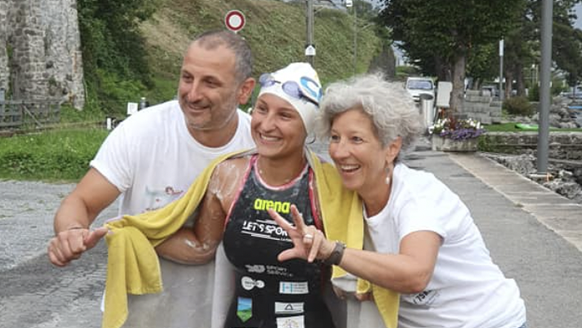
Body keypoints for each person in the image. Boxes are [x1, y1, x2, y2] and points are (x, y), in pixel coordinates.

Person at [104, 62, 365, 328]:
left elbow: (359, 268)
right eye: (262, 109)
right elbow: (201, 246)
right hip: (242, 318)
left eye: (285, 115)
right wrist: (131, 231)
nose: (267, 124)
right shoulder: (227, 175)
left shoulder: (331, 185)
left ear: (307, 127)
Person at [269, 74, 528, 328]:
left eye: (356, 139)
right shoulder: (346, 197)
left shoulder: (419, 195)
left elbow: (415, 274)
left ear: (391, 148)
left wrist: (333, 252)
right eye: (335, 137)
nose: (339, 151)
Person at [47, 29, 256, 327]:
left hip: (220, 314)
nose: (193, 94)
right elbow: (80, 201)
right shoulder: (142, 132)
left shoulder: (257, 145)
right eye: (187, 78)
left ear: (244, 90)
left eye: (210, 82)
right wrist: (70, 231)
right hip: (143, 312)